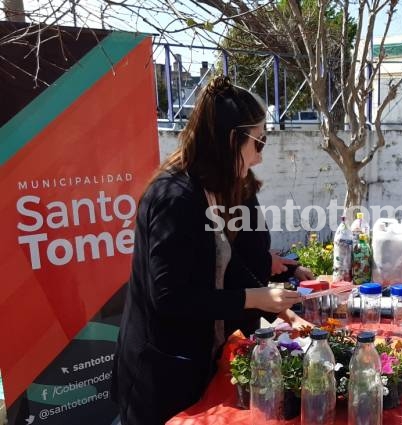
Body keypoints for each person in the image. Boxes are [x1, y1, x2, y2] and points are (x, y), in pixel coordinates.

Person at [112, 76, 311, 425]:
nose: (260, 158)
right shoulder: (175, 198)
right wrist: (251, 298)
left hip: (197, 358)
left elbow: (224, 261)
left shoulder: (213, 189)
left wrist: (276, 306)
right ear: (232, 140)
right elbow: (170, 297)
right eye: (259, 142)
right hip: (159, 375)